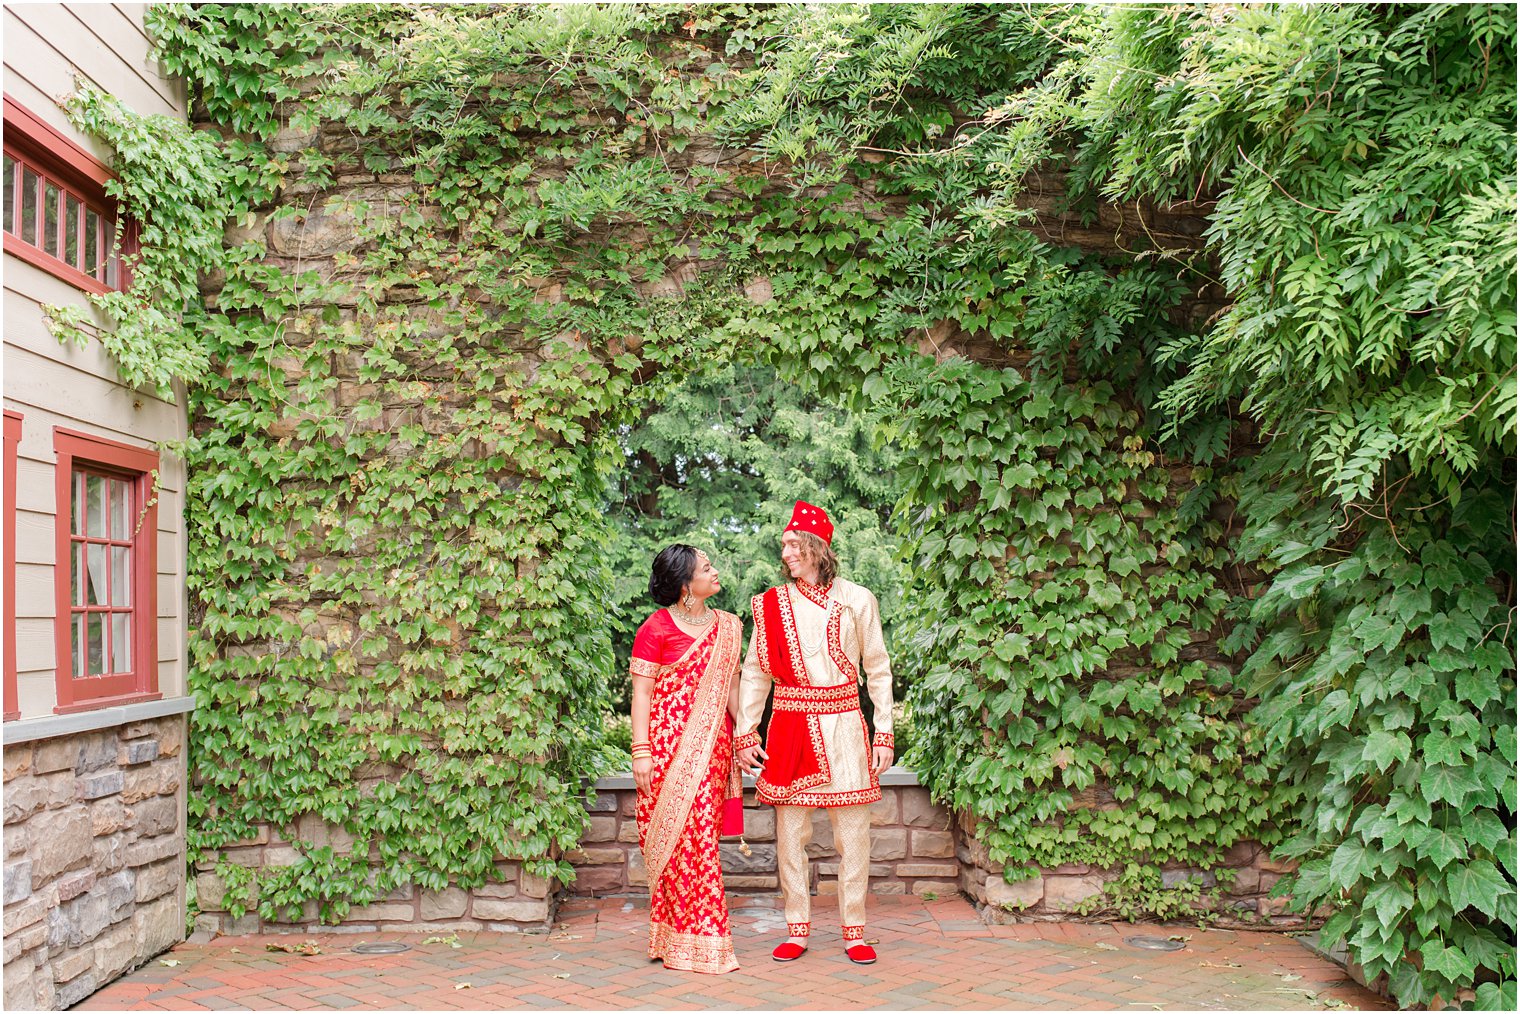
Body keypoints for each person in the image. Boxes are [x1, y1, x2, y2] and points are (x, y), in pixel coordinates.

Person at [733, 501, 894, 965]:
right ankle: (797, 928)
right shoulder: (771, 605)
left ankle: (854, 930)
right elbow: (756, 672)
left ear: (816, 546)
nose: (784, 552)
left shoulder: (858, 599)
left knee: (853, 835)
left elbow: (877, 669)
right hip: (789, 726)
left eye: (792, 544)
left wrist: (883, 731)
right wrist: (747, 733)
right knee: (791, 834)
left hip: (845, 724)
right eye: (783, 545)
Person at [630, 545, 744, 974]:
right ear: (684, 586)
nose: (715, 572)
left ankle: (701, 940)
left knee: (700, 843)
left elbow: (732, 693)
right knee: (676, 846)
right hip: (664, 749)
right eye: (706, 568)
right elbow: (641, 694)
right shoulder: (654, 629)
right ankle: (679, 937)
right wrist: (641, 752)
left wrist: (748, 736)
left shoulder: (728, 627)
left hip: (712, 752)